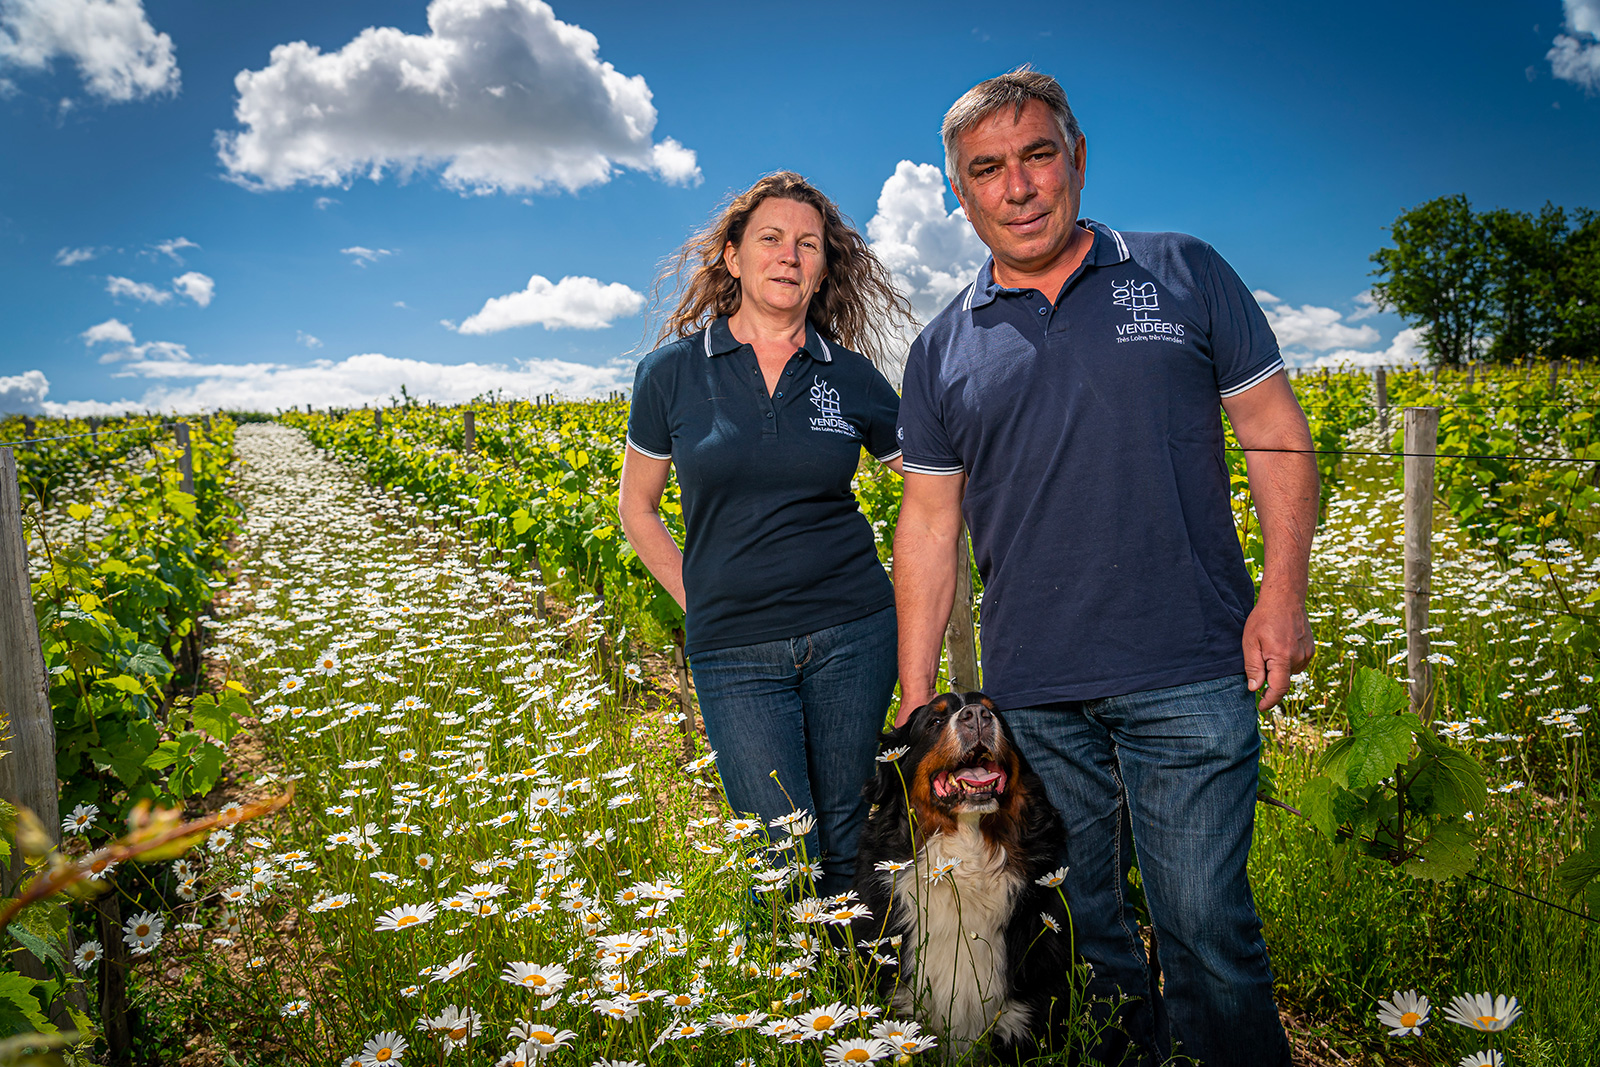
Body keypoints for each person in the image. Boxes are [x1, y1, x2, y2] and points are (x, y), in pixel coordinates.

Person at [892, 68, 1317, 1066]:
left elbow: (1274, 433)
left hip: (1189, 662)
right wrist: (921, 699)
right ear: (961, 193)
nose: (1018, 185)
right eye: (986, 169)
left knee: (1205, 923)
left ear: (1076, 159)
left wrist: (1282, 593)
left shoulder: (1182, 271)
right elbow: (926, 522)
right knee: (1084, 933)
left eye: (1037, 154)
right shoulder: (941, 345)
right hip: (1034, 693)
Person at [618, 172, 915, 899]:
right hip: (734, 648)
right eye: (771, 239)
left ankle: (862, 997)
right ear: (733, 257)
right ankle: (797, 1000)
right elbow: (638, 508)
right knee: (780, 841)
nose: (789, 256)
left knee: (849, 823)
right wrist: (702, 597)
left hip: (855, 630)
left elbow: (932, 481)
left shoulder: (850, 376)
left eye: (807, 244)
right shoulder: (671, 374)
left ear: (823, 268)